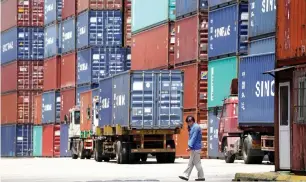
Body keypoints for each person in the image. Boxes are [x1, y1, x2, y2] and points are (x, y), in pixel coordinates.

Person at [179, 116, 205, 181]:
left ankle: (186, 175)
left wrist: (190, 146)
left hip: (195, 148)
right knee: (194, 163)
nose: (188, 123)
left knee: (192, 163)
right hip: (196, 148)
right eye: (188, 122)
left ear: (192, 121)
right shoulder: (194, 127)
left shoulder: (195, 127)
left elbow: (194, 137)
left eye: (189, 122)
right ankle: (200, 176)